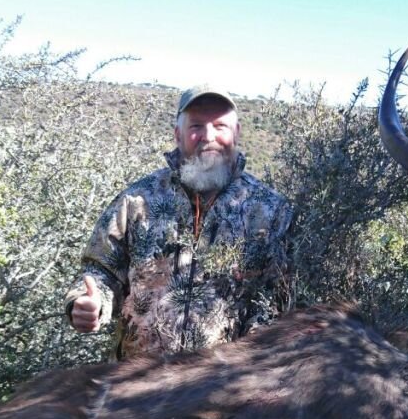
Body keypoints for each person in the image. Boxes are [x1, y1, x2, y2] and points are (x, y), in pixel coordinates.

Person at [65, 85, 293, 359]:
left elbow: (281, 304)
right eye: (196, 126)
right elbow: (101, 271)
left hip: (225, 389)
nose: (208, 137)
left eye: (220, 126)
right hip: (137, 384)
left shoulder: (271, 210)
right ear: (177, 134)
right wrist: (90, 303)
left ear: (237, 132)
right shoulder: (137, 200)